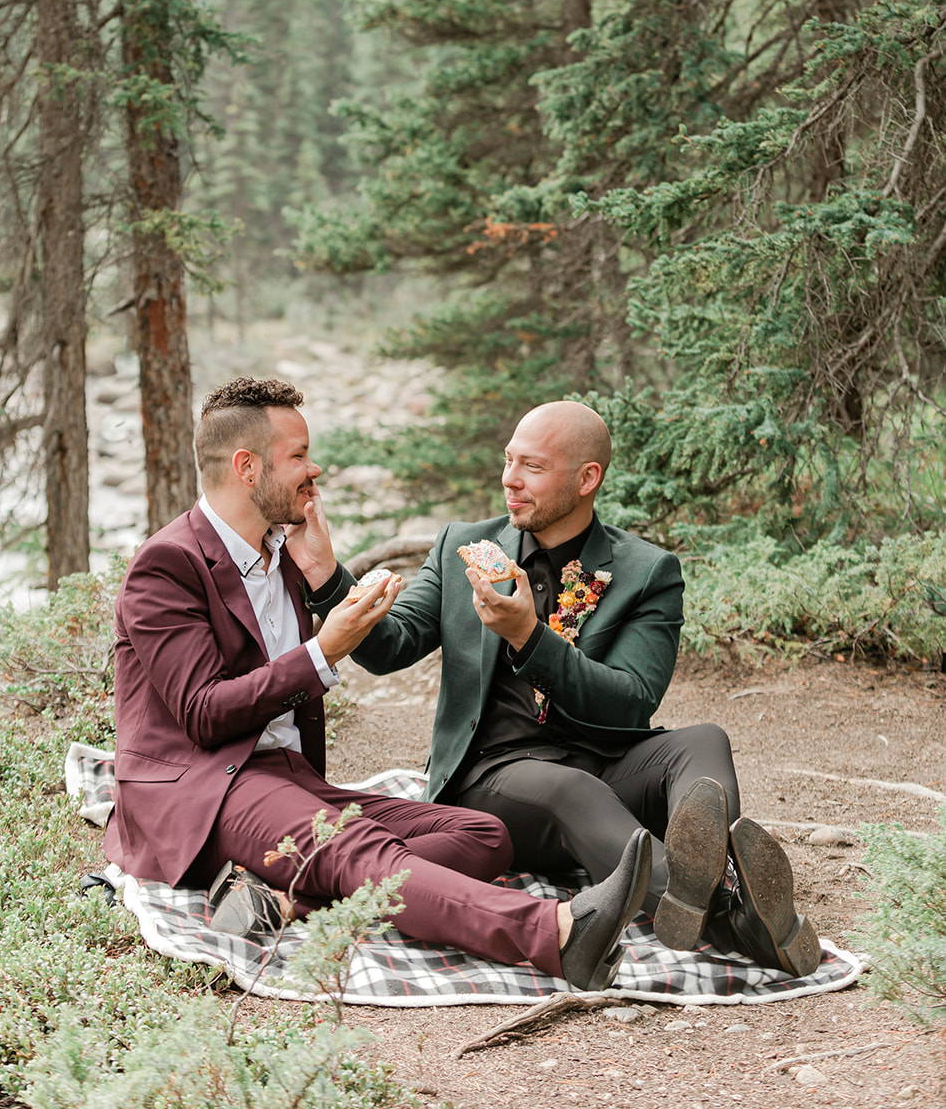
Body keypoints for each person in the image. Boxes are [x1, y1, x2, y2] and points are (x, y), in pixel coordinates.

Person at [104, 377, 653, 992]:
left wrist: (324, 576)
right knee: (363, 853)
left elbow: (373, 646)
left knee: (481, 835)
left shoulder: (282, 554)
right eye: (298, 456)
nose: (315, 470)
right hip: (204, 791)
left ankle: (286, 904)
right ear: (246, 467)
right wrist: (324, 649)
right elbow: (204, 715)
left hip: (283, 777)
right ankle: (554, 934)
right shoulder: (167, 564)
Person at [308, 399, 821, 978]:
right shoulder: (463, 548)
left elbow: (631, 699)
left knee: (703, 742)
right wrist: (327, 576)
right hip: (492, 778)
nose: (509, 479)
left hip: (605, 758)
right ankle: (736, 912)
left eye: (531, 466)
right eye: (507, 461)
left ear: (587, 479)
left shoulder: (646, 571)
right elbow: (387, 648)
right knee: (570, 789)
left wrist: (529, 637)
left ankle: (703, 892)